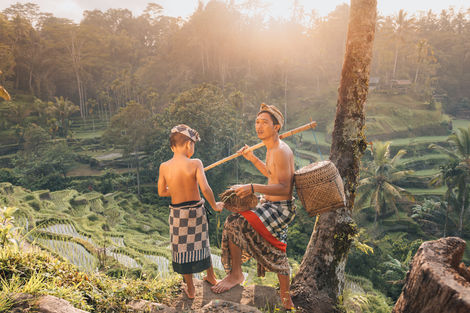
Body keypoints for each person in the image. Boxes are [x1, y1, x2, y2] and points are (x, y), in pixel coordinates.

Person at [211, 103, 296, 310]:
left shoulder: (281, 151)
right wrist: (252, 158)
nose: (259, 126)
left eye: (264, 123)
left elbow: (285, 189)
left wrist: (251, 187)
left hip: (280, 209)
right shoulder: (271, 148)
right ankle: (286, 299)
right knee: (277, 246)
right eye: (257, 122)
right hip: (269, 203)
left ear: (276, 127)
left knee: (234, 223)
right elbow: (270, 174)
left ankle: (236, 274)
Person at [158, 124, 224, 299]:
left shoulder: (164, 166)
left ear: (172, 146)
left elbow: (161, 191)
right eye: (193, 144)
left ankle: (191, 289)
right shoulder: (195, 163)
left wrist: (175, 188)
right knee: (202, 242)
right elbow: (206, 188)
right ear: (188, 144)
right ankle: (211, 277)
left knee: (182, 248)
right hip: (196, 210)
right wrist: (215, 205)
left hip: (178, 214)